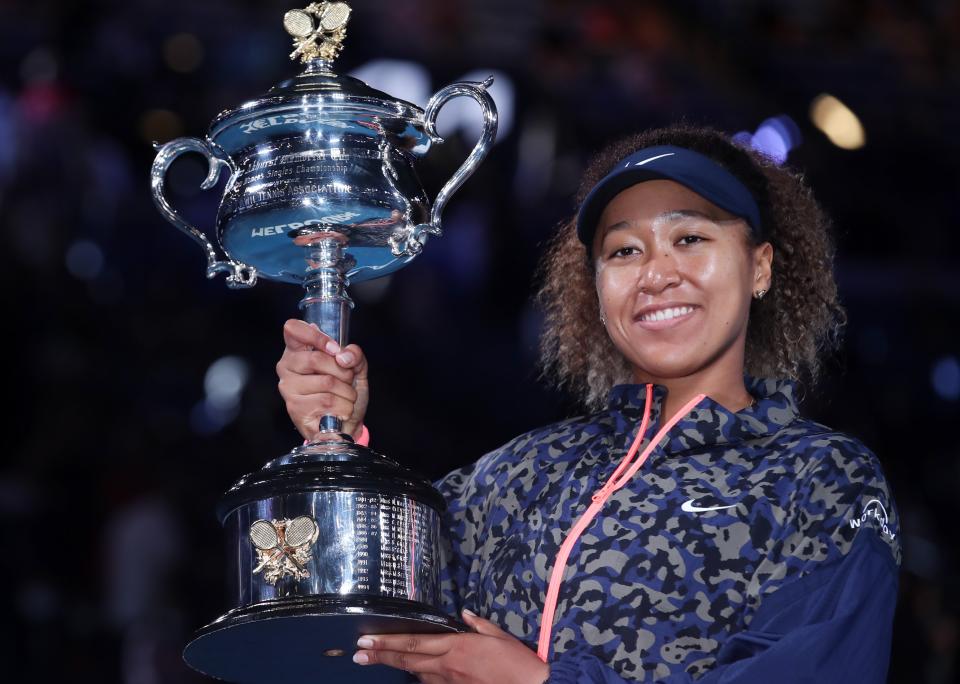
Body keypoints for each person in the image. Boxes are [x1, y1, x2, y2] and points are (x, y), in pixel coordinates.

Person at [276, 124, 901, 683]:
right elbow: (360, 618)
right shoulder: (517, 474)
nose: (656, 274)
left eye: (690, 237)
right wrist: (336, 440)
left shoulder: (820, 480)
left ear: (760, 267)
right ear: (595, 288)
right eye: (624, 250)